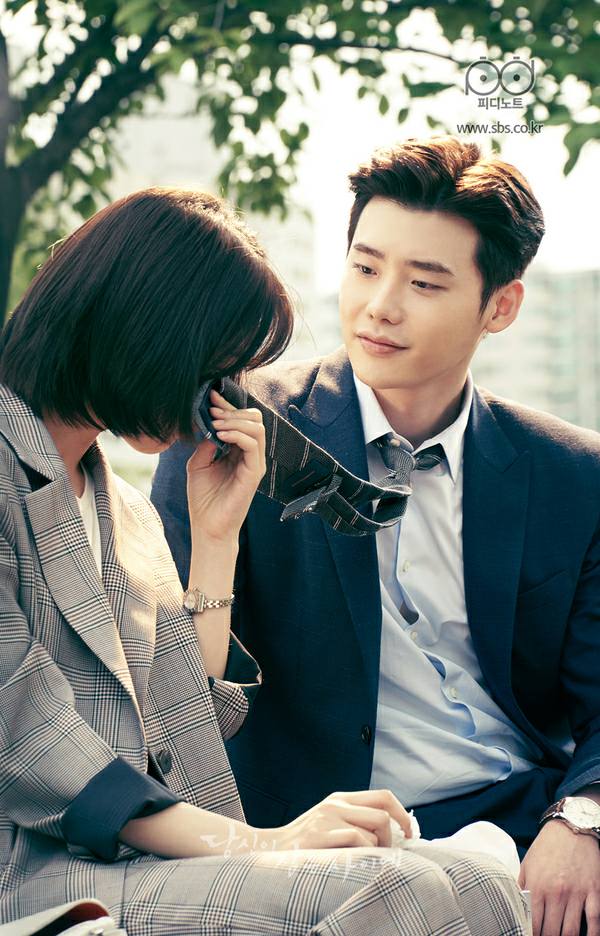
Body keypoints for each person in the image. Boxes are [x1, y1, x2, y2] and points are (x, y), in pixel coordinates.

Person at [0, 187, 528, 935]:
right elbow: (24, 742)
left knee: (478, 882)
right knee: (401, 891)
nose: (224, 395)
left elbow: (188, 727)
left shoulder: (121, 508)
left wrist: (217, 542)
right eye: (215, 365)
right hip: (33, 870)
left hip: (143, 862)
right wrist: (265, 844)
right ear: (141, 329)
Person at [152, 138, 600, 936]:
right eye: (365, 268)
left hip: (527, 820)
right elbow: (176, 704)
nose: (379, 306)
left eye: (423, 283)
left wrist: (583, 817)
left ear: (500, 307)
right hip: (327, 835)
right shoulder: (235, 433)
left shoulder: (573, 475)